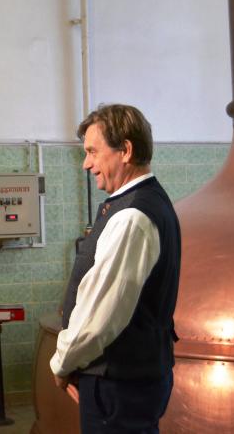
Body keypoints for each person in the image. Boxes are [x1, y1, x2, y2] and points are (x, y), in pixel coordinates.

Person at [51, 104, 181, 433]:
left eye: (93, 151)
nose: (87, 163)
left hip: (119, 383)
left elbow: (102, 315)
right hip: (126, 380)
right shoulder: (141, 203)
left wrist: (62, 362)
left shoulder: (132, 216)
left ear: (125, 150)